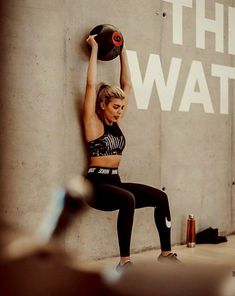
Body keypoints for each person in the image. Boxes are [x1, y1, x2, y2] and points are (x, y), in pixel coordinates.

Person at [83, 35, 179, 271]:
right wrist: (95, 49)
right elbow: (89, 85)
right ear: (102, 104)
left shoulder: (116, 120)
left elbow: (127, 85)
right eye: (115, 107)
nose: (120, 112)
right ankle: (124, 261)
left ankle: (166, 254)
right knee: (128, 199)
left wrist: (122, 51)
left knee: (161, 198)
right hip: (95, 186)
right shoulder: (93, 122)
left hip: (114, 182)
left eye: (122, 107)